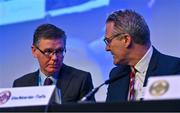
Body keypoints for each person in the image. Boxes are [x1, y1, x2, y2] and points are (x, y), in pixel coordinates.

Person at [104, 9, 180, 102]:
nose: (107, 48)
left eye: (108, 41)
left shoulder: (174, 69)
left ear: (126, 40)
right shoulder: (116, 75)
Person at [13, 23, 95, 103]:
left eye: (59, 51)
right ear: (34, 51)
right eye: (48, 51)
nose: (55, 58)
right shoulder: (20, 84)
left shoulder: (81, 79)